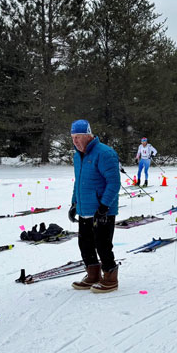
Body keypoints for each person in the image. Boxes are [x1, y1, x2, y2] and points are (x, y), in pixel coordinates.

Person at [68, 119, 121, 293]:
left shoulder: (105, 153)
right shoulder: (77, 155)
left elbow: (113, 182)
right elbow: (79, 182)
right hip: (85, 208)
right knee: (85, 244)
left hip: (102, 209)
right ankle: (93, 274)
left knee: (103, 245)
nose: (75, 141)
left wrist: (104, 206)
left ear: (89, 136)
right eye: (73, 137)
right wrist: (74, 203)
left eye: (79, 137)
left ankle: (110, 277)